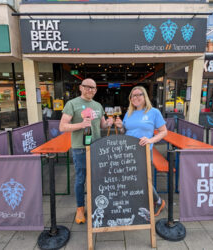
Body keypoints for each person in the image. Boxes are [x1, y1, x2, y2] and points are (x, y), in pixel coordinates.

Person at [59, 78, 114, 224]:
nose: (91, 90)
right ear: (81, 88)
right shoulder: (72, 104)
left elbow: (102, 125)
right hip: (80, 148)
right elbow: (62, 126)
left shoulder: (98, 105)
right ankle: (80, 208)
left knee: (97, 178)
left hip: (97, 147)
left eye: (93, 88)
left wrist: (109, 123)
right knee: (81, 179)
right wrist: (81, 124)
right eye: (87, 87)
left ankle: (96, 204)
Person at [114, 86, 167, 216]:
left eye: (139, 94)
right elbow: (126, 132)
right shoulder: (129, 113)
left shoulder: (153, 112)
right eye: (133, 95)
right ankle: (139, 201)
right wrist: (121, 127)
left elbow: (164, 131)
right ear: (130, 99)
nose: (136, 97)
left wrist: (151, 140)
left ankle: (159, 201)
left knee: (142, 179)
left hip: (143, 151)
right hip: (128, 151)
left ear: (145, 97)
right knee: (131, 178)